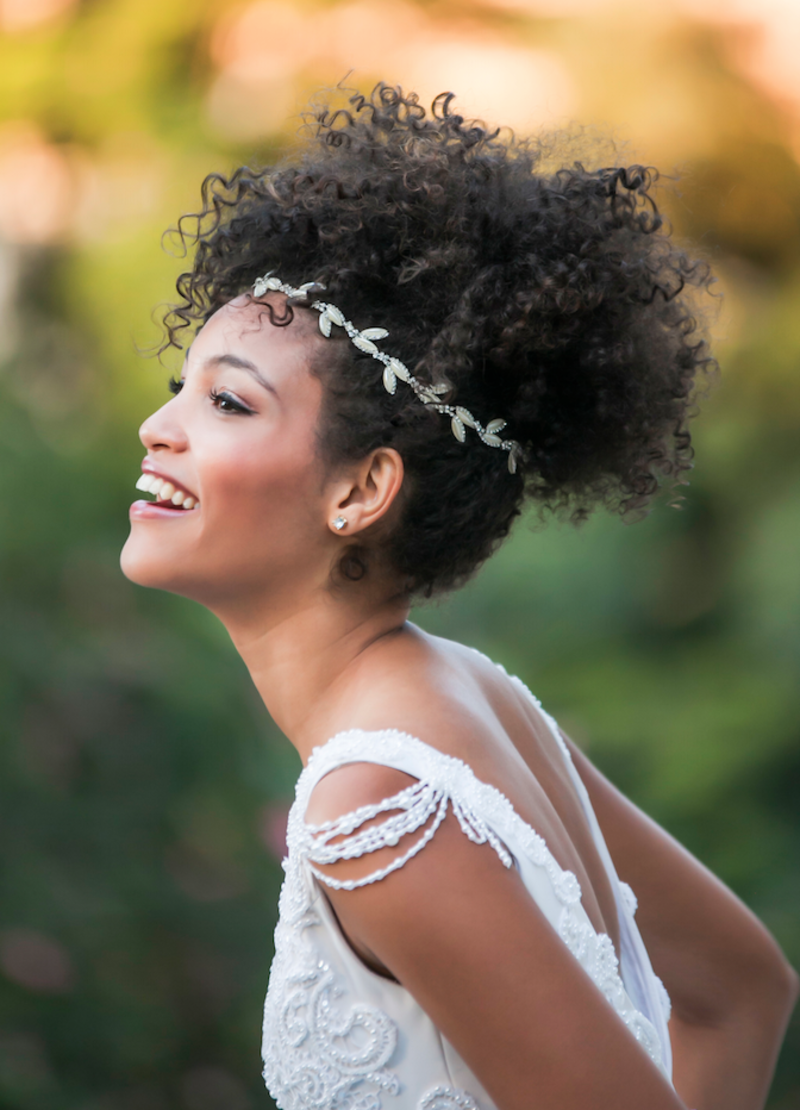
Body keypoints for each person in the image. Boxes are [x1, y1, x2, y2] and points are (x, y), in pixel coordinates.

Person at [120, 85, 797, 1110]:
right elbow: (738, 996)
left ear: (360, 491)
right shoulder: (463, 693)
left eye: (225, 400)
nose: (156, 428)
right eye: (182, 386)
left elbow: (736, 998)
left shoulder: (381, 805)